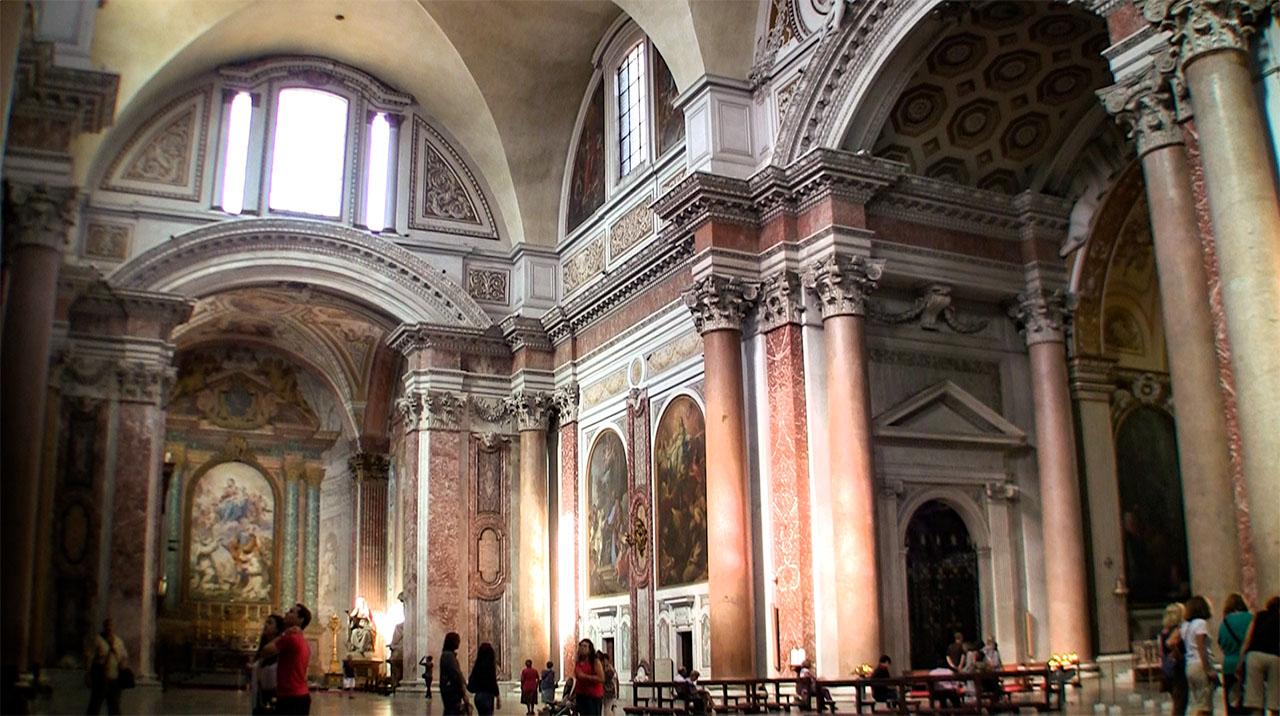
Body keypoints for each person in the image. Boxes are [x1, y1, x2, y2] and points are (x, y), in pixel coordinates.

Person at [259, 603, 312, 715]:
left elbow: (265, 651)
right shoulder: (301, 639)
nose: (286, 614)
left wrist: (283, 633)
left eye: (292, 612)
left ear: (300, 620)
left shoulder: (290, 638)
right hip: (300, 695)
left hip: (290, 696)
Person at [1237, 595, 1279, 716]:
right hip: (1275, 657)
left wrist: (1240, 662)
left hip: (1254, 656)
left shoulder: (1259, 616)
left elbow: (1247, 641)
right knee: (1274, 703)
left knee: (1255, 702)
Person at [1182, 595, 1218, 716]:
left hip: (1190, 665)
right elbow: (1201, 647)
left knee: (1197, 703)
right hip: (1199, 664)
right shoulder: (1200, 623)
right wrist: (1208, 669)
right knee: (1205, 706)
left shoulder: (1185, 626)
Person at [85, 617, 128, 715]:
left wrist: (123, 665)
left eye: (111, 625)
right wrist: (87, 674)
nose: (109, 628)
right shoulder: (97, 640)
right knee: (95, 704)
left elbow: (124, 656)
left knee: (114, 706)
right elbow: (89, 657)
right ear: (104, 627)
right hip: (101, 677)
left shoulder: (118, 641)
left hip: (115, 678)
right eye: (107, 625)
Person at [1220, 593, 1254, 715]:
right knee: (1250, 704)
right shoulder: (1250, 618)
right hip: (1247, 664)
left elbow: (1221, 643)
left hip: (1229, 666)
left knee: (1232, 704)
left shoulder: (1225, 622)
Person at [249, 614, 284, 715]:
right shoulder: (263, 649)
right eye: (266, 623)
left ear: (277, 629)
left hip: (273, 697)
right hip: (259, 698)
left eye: (270, 623)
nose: (266, 625)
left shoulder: (279, 651)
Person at [1160, 602, 1189, 716]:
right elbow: (1170, 644)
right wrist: (1178, 654)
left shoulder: (1164, 632)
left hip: (1168, 669)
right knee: (1180, 703)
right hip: (1178, 668)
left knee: (1176, 701)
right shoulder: (1178, 630)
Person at [571, 638, 606, 716]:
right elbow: (577, 679)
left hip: (593, 697)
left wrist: (585, 676)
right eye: (581, 646)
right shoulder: (578, 662)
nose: (582, 648)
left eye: (585, 646)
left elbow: (601, 678)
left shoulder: (595, 661)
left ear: (590, 650)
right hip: (581, 695)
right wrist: (573, 694)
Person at [439, 632, 469, 715]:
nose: (458, 643)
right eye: (457, 641)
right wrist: (463, 693)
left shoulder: (446, 655)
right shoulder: (449, 656)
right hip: (452, 692)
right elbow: (456, 675)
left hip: (447, 691)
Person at [467, 642, 501, 716]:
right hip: (487, 696)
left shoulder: (477, 666)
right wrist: (498, 697)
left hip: (478, 696)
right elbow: (493, 682)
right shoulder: (490, 667)